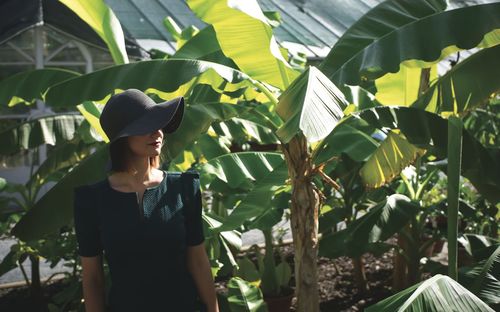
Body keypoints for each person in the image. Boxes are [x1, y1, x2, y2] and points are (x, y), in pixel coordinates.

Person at [73, 89, 218, 312]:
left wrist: (213, 309)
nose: (158, 133)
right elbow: (92, 278)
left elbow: (198, 261)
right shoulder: (92, 201)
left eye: (159, 124)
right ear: (122, 137)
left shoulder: (183, 188)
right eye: (146, 126)